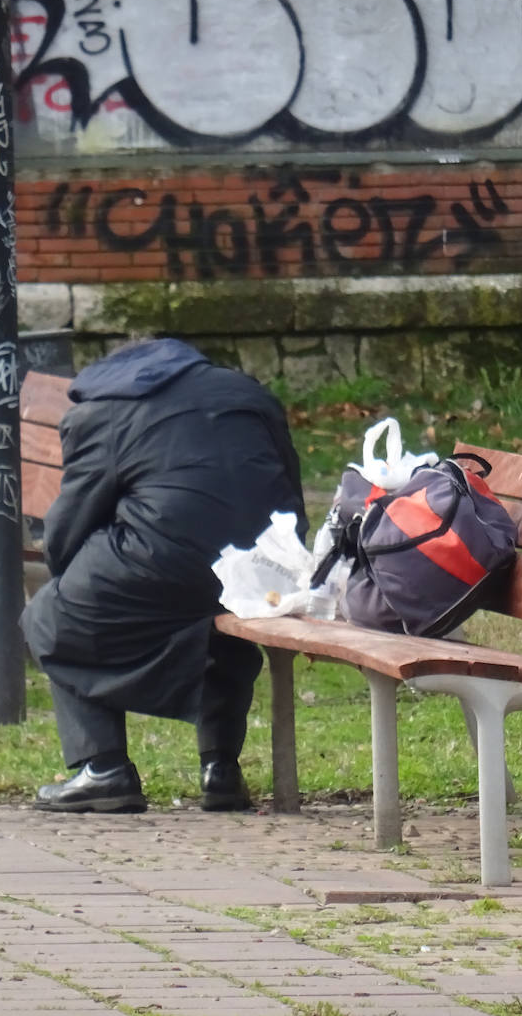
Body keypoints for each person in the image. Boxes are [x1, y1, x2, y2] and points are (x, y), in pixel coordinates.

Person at [22, 337, 307, 814]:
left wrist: (68, 574)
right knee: (222, 619)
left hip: (162, 560)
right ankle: (221, 769)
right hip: (262, 561)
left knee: (52, 614)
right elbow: (288, 485)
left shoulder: (104, 413)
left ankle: (103, 767)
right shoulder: (248, 393)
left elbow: (73, 519)